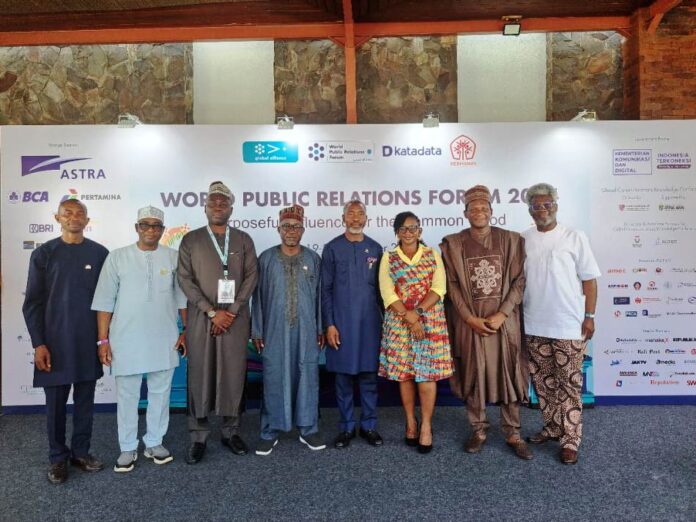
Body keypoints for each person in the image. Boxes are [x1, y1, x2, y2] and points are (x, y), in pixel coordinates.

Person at [91, 206, 187, 472]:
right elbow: (104, 302)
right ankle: (127, 447)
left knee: (160, 393)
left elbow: (182, 298)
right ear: (136, 228)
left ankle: (155, 442)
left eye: (156, 226)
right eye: (145, 225)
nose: (151, 230)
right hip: (125, 338)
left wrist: (186, 330)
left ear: (163, 230)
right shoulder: (118, 258)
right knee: (128, 395)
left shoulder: (174, 257)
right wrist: (103, 341)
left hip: (164, 336)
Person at [440, 185, 532, 460]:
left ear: (492, 212)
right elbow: (451, 285)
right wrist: (469, 318)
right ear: (465, 213)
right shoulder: (453, 244)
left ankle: (513, 433)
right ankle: (478, 429)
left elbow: (519, 281)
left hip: (503, 323)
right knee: (473, 374)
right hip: (470, 323)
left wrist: (502, 313)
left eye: (484, 208)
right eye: (473, 208)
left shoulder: (512, 240)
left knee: (509, 374)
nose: (479, 212)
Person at [22, 199, 109, 484]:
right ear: (57, 217)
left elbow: (107, 302)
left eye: (79, 213)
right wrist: (39, 343)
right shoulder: (44, 254)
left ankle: (80, 452)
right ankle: (58, 457)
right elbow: (32, 303)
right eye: (68, 213)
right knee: (56, 405)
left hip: (89, 341)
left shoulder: (99, 254)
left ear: (87, 219)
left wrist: (104, 340)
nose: (74, 217)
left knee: (85, 401)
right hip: (55, 343)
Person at [177, 181, 258, 464]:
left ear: (231, 208)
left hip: (235, 320)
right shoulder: (191, 240)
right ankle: (198, 436)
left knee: (233, 374)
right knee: (200, 373)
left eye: (223, 203)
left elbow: (251, 278)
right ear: (205, 207)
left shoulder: (243, 239)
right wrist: (211, 311)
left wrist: (232, 310)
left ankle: (230, 431)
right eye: (213, 202)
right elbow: (184, 279)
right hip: (202, 318)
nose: (218, 206)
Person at [522, 182, 600, 465]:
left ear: (556, 205)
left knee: (569, 385)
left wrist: (589, 316)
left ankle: (570, 441)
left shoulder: (574, 236)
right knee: (544, 384)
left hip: (569, 325)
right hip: (533, 323)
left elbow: (590, 280)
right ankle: (553, 427)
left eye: (547, 204)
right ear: (529, 210)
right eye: (536, 206)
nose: (542, 210)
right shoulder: (524, 239)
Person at [252, 205, 325, 455]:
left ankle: (308, 429)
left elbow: (319, 298)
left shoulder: (313, 259)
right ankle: (269, 431)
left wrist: (320, 328)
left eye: (296, 226)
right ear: (278, 229)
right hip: (274, 330)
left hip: (306, 330)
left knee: (308, 375)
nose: (291, 231)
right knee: (274, 376)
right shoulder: (266, 259)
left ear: (303, 230)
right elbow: (258, 298)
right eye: (286, 226)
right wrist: (257, 331)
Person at [378, 211, 453, 454]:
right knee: (406, 375)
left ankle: (426, 426)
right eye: (403, 229)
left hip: (430, 322)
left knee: (427, 376)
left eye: (413, 228)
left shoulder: (433, 254)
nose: (408, 233)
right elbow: (387, 293)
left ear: (420, 231)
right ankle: (410, 421)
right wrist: (409, 317)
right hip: (399, 323)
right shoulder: (388, 257)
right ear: (396, 232)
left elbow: (439, 288)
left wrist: (417, 313)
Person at [321, 200, 383, 449]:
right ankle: (346, 427)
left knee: (369, 377)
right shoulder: (332, 248)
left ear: (367, 218)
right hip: (341, 325)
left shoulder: (376, 249)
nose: (355, 218)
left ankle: (369, 425)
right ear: (343, 218)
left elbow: (382, 292)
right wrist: (329, 324)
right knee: (343, 379)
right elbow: (325, 290)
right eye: (351, 214)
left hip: (369, 324)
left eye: (360, 214)